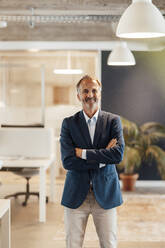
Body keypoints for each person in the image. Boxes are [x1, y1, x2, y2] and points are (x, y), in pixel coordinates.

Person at [60, 75, 125, 248]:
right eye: (85, 91)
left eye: (94, 90)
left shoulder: (113, 122)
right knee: (72, 244)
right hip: (76, 195)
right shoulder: (68, 124)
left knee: (109, 243)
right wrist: (103, 157)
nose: (90, 95)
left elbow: (118, 155)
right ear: (79, 96)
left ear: (100, 93)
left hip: (106, 194)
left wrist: (82, 153)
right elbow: (68, 161)